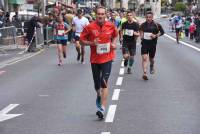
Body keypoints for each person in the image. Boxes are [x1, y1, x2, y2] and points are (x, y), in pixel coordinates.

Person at [80, 6, 118, 119]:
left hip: (107, 58)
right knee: (97, 85)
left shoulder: (111, 25)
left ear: (105, 15)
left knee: (104, 83)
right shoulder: (89, 27)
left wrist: (114, 44)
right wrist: (92, 43)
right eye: (98, 14)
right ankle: (98, 95)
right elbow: (81, 41)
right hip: (95, 60)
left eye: (102, 14)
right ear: (95, 15)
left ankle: (102, 108)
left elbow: (115, 35)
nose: (100, 16)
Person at [140, 11, 164, 80]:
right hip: (144, 43)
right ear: (145, 17)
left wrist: (155, 35)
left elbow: (162, 32)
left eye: (149, 17)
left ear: (152, 17)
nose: (148, 18)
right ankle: (144, 73)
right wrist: (141, 36)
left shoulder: (157, 25)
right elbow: (141, 31)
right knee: (144, 58)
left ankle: (152, 65)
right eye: (147, 17)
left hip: (152, 44)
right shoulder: (142, 25)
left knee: (151, 59)